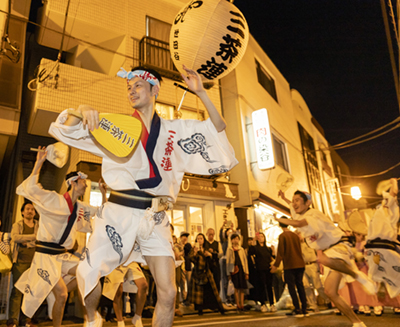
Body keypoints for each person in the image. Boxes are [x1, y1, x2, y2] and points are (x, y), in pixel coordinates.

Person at [48, 65, 238, 327]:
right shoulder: (118, 128)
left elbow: (217, 127)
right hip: (119, 212)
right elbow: (68, 125)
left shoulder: (175, 130)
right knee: (88, 271)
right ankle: (92, 319)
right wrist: (83, 109)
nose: (132, 91)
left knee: (169, 292)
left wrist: (201, 93)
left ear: (155, 89)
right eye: (129, 87)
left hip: (155, 217)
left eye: (138, 85)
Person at [14, 147, 105, 327]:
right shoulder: (53, 199)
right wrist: (39, 161)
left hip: (62, 255)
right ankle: (50, 309)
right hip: (45, 256)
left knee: (88, 272)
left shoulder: (80, 207)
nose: (86, 184)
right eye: (82, 182)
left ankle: (90, 317)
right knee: (62, 295)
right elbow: (31, 188)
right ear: (72, 183)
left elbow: (102, 214)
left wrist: (103, 192)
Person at [278, 190, 375, 327]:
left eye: (297, 201)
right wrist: (284, 198)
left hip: (339, 245)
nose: (294, 204)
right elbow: (294, 212)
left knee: (323, 260)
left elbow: (300, 223)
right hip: (329, 251)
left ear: (308, 203)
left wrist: (279, 219)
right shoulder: (298, 213)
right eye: (293, 201)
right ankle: (357, 323)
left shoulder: (312, 215)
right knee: (330, 291)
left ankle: (357, 275)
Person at [365, 178, 400, 300]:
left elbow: (393, 193)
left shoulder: (380, 214)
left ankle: (381, 283)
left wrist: (391, 183)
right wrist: (393, 182)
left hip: (374, 248)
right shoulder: (385, 211)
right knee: (394, 273)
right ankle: (382, 283)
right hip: (385, 247)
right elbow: (394, 192)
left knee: (377, 271)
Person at [8, 200, 38, 327]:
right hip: (20, 262)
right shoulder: (18, 224)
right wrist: (33, 237)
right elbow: (15, 237)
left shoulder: (39, 224)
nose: (30, 211)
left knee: (31, 292)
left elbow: (41, 239)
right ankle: (13, 320)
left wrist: (27, 241)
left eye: (32, 209)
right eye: (27, 209)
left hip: (35, 263)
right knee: (17, 291)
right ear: (22, 212)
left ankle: (26, 319)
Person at [271, 219, 307, 317]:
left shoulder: (282, 236)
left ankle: (297, 308)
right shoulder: (295, 236)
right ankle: (304, 307)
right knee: (300, 285)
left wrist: (276, 265)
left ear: (280, 225)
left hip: (290, 265)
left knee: (291, 286)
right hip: (300, 263)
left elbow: (281, 252)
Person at [102, 261, 148, 327]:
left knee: (143, 285)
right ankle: (120, 322)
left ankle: (137, 317)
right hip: (115, 259)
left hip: (130, 259)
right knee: (117, 289)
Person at [189, 233, 225, 315]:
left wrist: (210, 255)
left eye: (201, 238)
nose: (199, 240)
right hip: (197, 273)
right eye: (198, 239)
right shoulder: (194, 249)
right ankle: (200, 310)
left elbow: (212, 260)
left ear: (204, 240)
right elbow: (192, 259)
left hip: (206, 272)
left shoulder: (206, 249)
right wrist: (195, 253)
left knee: (212, 291)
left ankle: (219, 308)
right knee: (199, 293)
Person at [297, 231, 330, 312]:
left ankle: (328, 300)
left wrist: (320, 265)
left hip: (312, 265)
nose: (299, 236)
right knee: (306, 286)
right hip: (302, 266)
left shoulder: (310, 243)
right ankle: (313, 305)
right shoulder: (296, 246)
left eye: (299, 234)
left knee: (318, 285)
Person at [248, 232, 276, 313]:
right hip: (259, 270)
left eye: (262, 236)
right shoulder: (256, 248)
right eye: (259, 236)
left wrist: (273, 253)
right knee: (262, 287)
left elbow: (272, 258)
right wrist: (253, 241)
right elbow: (250, 252)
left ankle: (272, 304)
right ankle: (263, 304)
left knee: (269, 287)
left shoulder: (268, 249)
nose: (261, 238)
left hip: (268, 269)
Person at [226, 233, 248, 313]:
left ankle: (242, 305)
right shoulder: (229, 249)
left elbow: (245, 261)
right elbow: (227, 262)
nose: (236, 240)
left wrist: (246, 272)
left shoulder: (241, 249)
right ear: (231, 240)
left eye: (237, 239)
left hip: (241, 269)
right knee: (235, 287)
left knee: (241, 288)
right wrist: (228, 273)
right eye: (234, 239)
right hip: (233, 270)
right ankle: (237, 304)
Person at [204, 228, 223, 293]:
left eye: (212, 234)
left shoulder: (217, 243)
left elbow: (221, 254)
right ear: (207, 234)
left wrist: (213, 253)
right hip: (207, 265)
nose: (211, 236)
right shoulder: (205, 243)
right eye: (209, 234)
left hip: (215, 265)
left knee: (216, 281)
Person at [180, 231, 191, 305]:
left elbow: (187, 250)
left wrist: (182, 246)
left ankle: (189, 299)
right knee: (182, 284)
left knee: (189, 283)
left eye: (186, 236)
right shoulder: (177, 245)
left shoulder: (188, 245)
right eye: (184, 236)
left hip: (188, 266)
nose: (185, 238)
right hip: (181, 267)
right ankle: (184, 299)